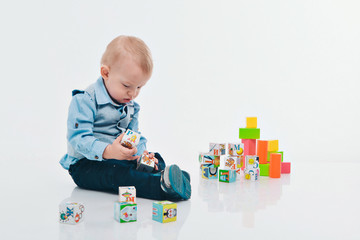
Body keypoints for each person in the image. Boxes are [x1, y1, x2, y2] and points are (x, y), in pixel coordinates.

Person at [59, 35, 191, 201]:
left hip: (119, 159)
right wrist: (108, 151)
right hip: (86, 166)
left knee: (155, 157)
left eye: (139, 87)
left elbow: (134, 136)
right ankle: (161, 188)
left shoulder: (131, 106)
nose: (133, 93)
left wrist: (142, 154)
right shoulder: (85, 100)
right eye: (127, 86)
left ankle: (163, 176)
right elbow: (78, 139)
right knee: (118, 174)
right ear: (106, 73)